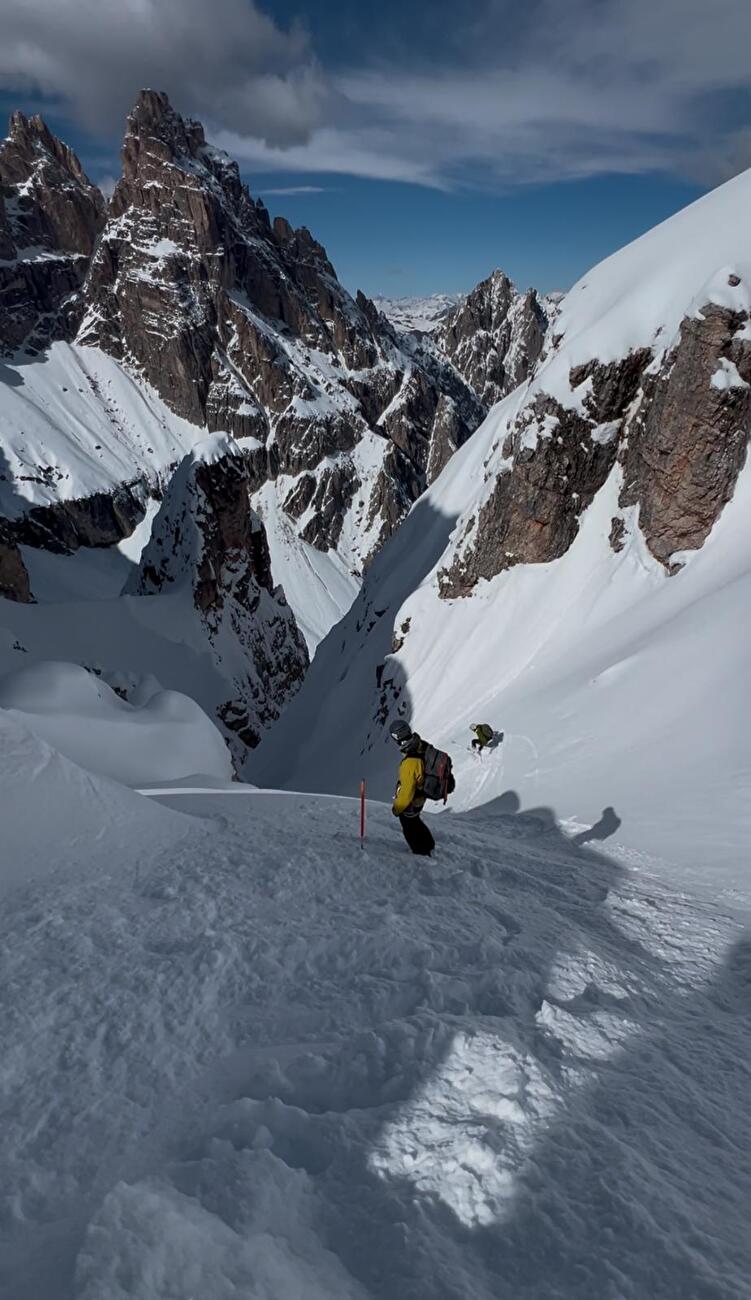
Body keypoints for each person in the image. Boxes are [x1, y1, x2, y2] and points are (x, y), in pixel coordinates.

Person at [389, 719, 435, 857]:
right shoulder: (421, 744)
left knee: (408, 823)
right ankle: (429, 844)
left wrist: (397, 808)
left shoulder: (410, 762)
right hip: (424, 792)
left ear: (397, 737)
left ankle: (421, 851)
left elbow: (406, 792)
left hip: (416, 797)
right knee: (415, 820)